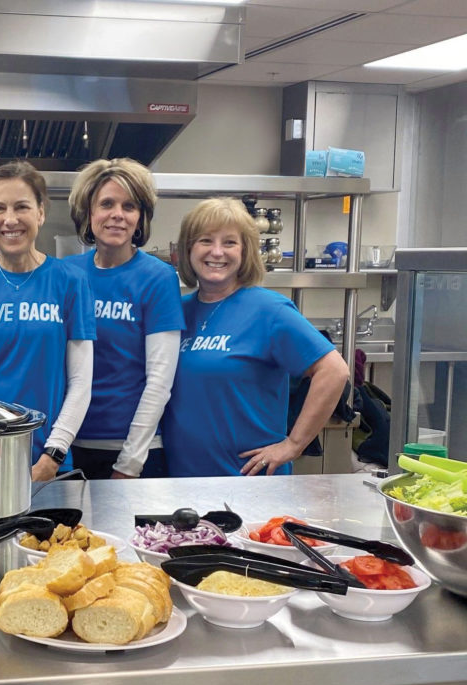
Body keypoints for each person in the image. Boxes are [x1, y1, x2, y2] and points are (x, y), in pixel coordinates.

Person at [161, 197, 349, 477]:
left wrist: (293, 445)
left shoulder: (268, 310)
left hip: (247, 483)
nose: (217, 252)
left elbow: (334, 371)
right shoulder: (178, 311)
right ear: (188, 249)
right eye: (205, 241)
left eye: (229, 242)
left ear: (245, 251)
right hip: (180, 481)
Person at [0, 161, 96, 482]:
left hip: (48, 463)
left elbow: (80, 383)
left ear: (40, 213)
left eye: (22, 207)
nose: (10, 220)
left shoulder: (70, 281)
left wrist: (53, 456)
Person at [64, 158, 184, 479]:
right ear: (88, 214)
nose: (117, 214)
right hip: (69, 446)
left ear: (140, 218)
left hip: (135, 451)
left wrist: (129, 463)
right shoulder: (67, 273)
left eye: (129, 206)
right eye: (106, 204)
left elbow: (159, 381)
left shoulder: (158, 278)